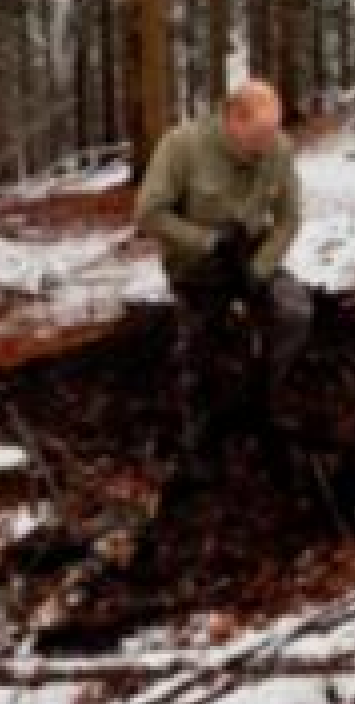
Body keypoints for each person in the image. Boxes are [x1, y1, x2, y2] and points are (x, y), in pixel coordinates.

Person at [134, 80, 312, 472]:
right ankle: (200, 441)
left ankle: (266, 399)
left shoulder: (278, 149)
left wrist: (260, 269)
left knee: (294, 312)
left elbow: (288, 218)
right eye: (262, 133)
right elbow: (148, 213)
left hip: (252, 255)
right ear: (233, 119)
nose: (271, 142)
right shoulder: (182, 146)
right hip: (196, 264)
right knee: (202, 349)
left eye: (276, 130)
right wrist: (206, 242)